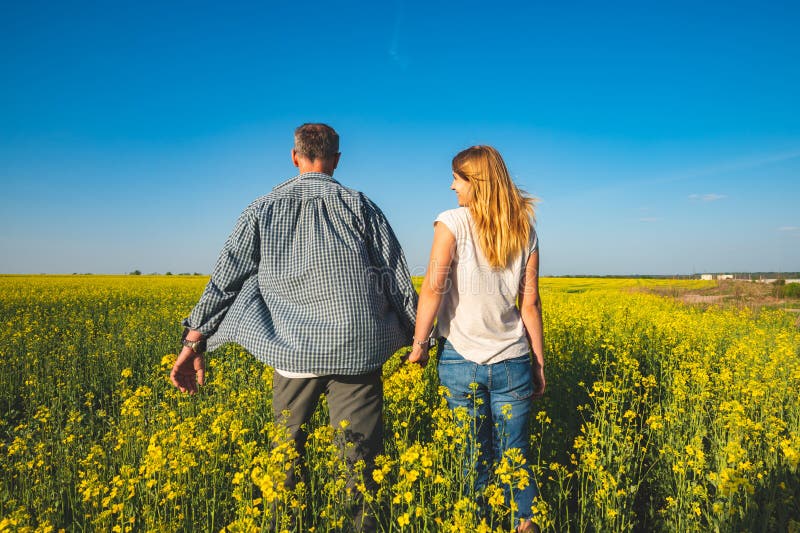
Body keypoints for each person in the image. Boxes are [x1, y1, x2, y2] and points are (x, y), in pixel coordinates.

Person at [169, 123, 418, 531]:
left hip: (292, 350)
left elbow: (225, 279)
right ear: (336, 159)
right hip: (357, 348)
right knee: (358, 464)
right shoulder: (360, 205)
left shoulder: (262, 208)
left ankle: (284, 525)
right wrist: (418, 338)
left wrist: (194, 342)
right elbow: (394, 277)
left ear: (294, 156)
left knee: (285, 455)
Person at [407, 145, 545, 533]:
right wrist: (538, 362)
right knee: (515, 455)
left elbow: (434, 287)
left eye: (457, 178)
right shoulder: (525, 228)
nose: (452, 187)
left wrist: (419, 345)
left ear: (476, 182)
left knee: (472, 457)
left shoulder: (451, 222)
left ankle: (478, 524)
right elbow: (530, 302)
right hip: (513, 359)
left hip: (460, 359)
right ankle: (525, 522)